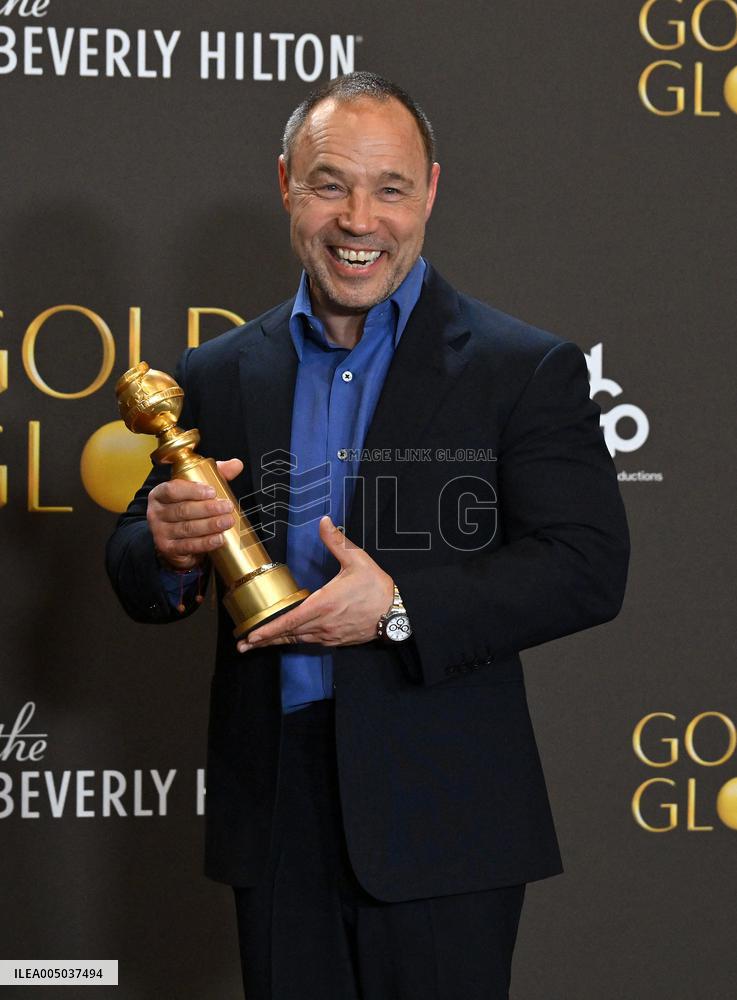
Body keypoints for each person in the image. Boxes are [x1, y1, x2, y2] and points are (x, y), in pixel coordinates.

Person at [106, 72, 629, 1000]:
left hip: (445, 818)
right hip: (274, 814)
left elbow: (586, 568)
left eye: (388, 188)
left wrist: (395, 608)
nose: (359, 218)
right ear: (285, 188)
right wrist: (163, 541)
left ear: (428, 191)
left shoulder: (522, 367)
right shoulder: (217, 373)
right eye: (328, 184)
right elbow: (139, 568)